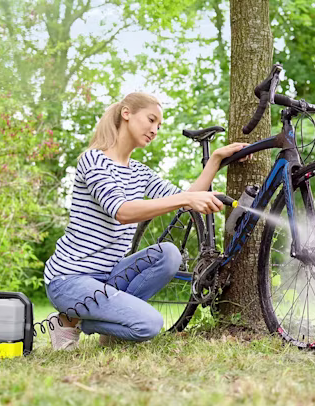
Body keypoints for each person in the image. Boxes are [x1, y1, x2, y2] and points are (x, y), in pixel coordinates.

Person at [43, 92, 251, 351]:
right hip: (70, 279)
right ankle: (68, 320)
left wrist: (216, 160)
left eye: (159, 126)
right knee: (149, 325)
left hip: (109, 278)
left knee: (169, 254)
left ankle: (105, 322)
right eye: (151, 120)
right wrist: (186, 199)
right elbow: (122, 211)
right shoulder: (94, 160)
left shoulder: (140, 172)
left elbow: (184, 198)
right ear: (126, 113)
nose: (154, 130)